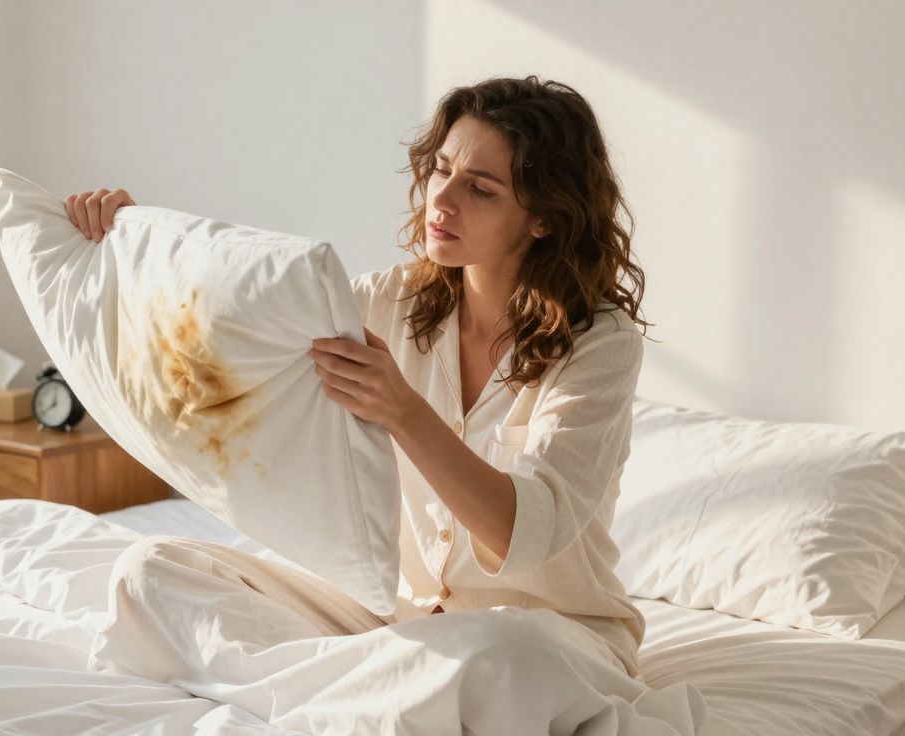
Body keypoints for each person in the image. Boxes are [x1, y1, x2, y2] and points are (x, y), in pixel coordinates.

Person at [65, 75, 668, 731]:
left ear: (545, 216)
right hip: (391, 621)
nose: (442, 197)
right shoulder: (392, 300)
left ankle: (338, 690)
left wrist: (403, 410)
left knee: (501, 659)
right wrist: (132, 239)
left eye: (481, 188)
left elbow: (522, 534)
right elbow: (226, 335)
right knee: (150, 572)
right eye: (441, 168)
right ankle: (375, 697)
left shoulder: (600, 345)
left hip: (546, 634)